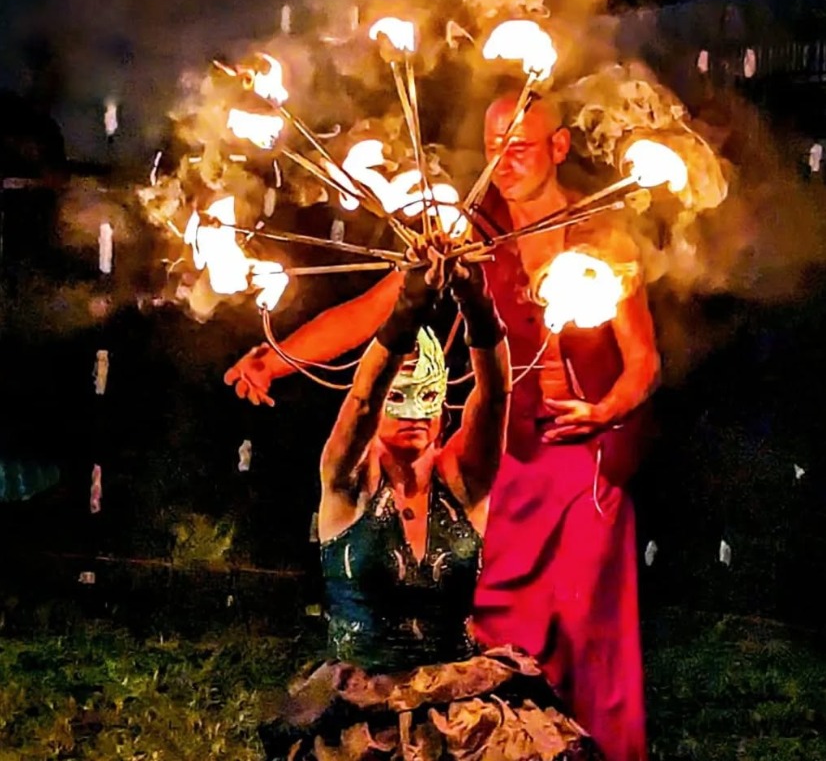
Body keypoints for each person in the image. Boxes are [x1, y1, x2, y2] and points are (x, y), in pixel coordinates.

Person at [230, 95, 660, 760]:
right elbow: (373, 311)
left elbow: (643, 362)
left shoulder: (600, 234)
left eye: (522, 145)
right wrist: (276, 357)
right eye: (495, 144)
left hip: (579, 458)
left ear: (561, 147)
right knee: (481, 608)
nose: (504, 159)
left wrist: (607, 410)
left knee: (583, 618)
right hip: (499, 455)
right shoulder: (470, 230)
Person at [257, 246, 603, 760]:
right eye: (402, 397)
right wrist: (404, 312)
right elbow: (363, 398)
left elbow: (496, 396)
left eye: (429, 397)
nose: (415, 411)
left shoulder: (463, 481)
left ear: (444, 404)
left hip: (461, 705)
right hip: (365, 709)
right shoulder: (348, 482)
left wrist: (478, 304)